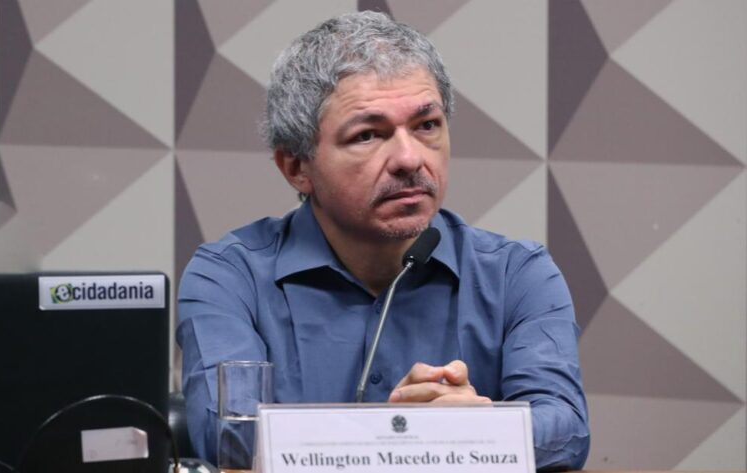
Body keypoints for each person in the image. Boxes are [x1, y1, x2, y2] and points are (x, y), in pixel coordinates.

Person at [177, 11, 590, 469]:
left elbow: (566, 431)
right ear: (296, 167)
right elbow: (229, 437)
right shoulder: (229, 278)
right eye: (368, 135)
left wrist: (477, 423)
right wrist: (409, 435)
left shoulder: (517, 274)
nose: (409, 159)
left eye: (426, 125)